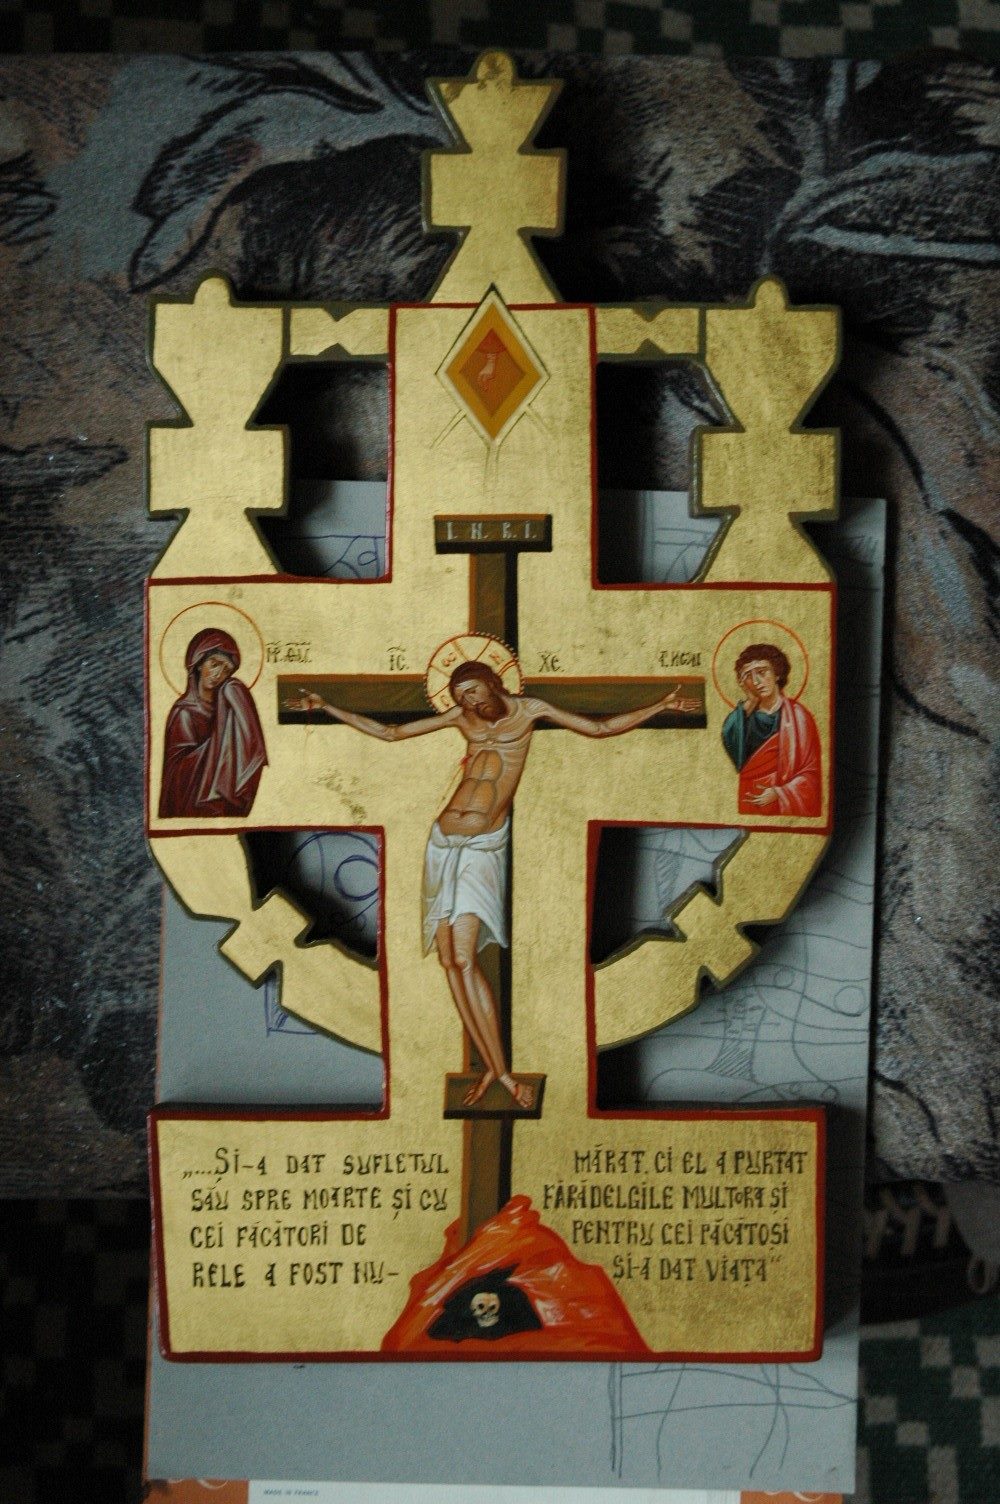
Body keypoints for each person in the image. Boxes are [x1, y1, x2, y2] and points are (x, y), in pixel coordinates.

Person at [293, 661, 698, 1109]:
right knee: (448, 960)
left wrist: (661, 705)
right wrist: (327, 706)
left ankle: (501, 1071)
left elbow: (599, 729)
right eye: (460, 695)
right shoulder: (461, 718)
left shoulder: (530, 711)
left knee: (466, 957)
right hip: (442, 843)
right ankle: (492, 1068)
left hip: (482, 845)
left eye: (474, 691)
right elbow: (392, 733)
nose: (469, 702)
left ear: (493, 683)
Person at [159, 628, 267, 819]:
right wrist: (222, 746)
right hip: (190, 805)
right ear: (199, 663)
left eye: (226, 670)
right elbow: (176, 775)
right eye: (214, 664)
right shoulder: (184, 712)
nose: (218, 674)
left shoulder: (228, 708)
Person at [720, 643, 821, 817]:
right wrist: (751, 701)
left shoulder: (799, 717)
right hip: (750, 798)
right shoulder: (743, 719)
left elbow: (811, 773)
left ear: (777, 673)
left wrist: (779, 792)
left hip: (782, 800)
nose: (756, 682)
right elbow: (731, 744)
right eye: (748, 676)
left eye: (761, 672)